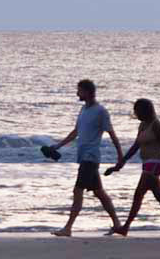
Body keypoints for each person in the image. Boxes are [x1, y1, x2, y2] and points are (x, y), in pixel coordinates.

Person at [48, 79, 123, 237]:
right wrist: (58, 145)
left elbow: (112, 133)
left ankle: (68, 228)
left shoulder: (101, 111)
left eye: (79, 91)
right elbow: (76, 131)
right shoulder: (83, 110)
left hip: (91, 157)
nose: (77, 94)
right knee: (99, 192)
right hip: (84, 157)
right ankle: (117, 224)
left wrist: (120, 156)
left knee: (78, 190)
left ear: (88, 92)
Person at [104, 98, 160, 236]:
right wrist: (120, 164)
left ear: (144, 111)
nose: (135, 113)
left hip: (155, 164)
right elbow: (135, 146)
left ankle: (126, 227)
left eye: (137, 110)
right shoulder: (142, 125)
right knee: (159, 196)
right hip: (147, 164)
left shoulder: (157, 125)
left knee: (138, 194)